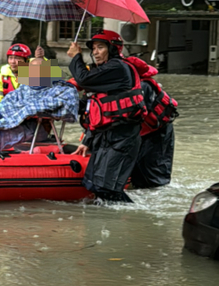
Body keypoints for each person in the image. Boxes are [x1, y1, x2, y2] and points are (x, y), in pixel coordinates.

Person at [67, 29, 145, 204]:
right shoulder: (103, 71)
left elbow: (83, 79)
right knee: (93, 184)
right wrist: (87, 141)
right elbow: (93, 108)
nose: (95, 52)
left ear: (112, 50)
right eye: (93, 48)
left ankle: (134, 218)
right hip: (106, 136)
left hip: (122, 137)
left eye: (100, 47)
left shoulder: (117, 67)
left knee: (106, 188)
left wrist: (75, 56)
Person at [126, 56, 178, 188]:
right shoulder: (141, 85)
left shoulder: (143, 86)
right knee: (149, 167)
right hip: (156, 130)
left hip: (156, 133)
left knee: (151, 171)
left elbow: (137, 114)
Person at [0, 42, 32, 119]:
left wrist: (40, 59)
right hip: (8, 117)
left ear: (27, 61)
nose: (13, 62)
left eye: (17, 58)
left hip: (30, 118)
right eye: (10, 58)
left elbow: (56, 74)